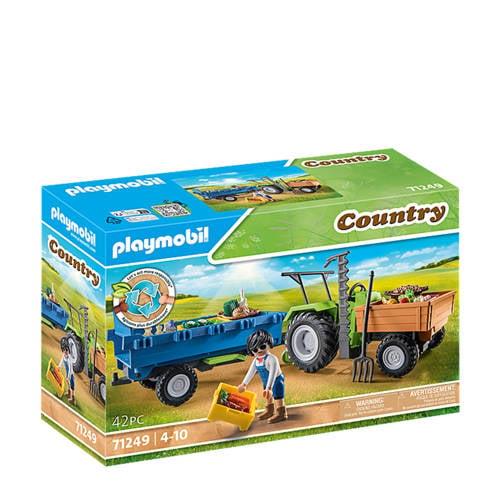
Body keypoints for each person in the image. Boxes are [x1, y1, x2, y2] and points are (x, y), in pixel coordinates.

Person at [238, 329, 287, 424]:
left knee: (277, 396)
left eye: (262, 346)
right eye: (255, 349)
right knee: (267, 396)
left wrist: (269, 387)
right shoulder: (256, 361)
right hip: (266, 381)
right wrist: (244, 384)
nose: (259, 350)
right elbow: (251, 372)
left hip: (276, 380)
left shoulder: (272, 359)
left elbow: (272, 373)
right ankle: (270, 410)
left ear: (269, 344)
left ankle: (281, 413)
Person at [59, 338, 76, 404]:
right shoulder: (64, 356)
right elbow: (61, 361)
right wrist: (59, 366)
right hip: (67, 373)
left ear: (68, 350)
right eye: (64, 350)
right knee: (68, 383)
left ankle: (73, 399)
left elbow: (70, 368)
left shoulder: (69, 359)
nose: (66, 352)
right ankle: (69, 393)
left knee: (72, 385)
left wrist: (68, 377)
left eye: (67, 350)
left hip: (70, 374)